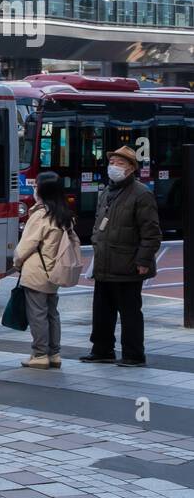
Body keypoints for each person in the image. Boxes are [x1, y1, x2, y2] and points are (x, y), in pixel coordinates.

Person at [82, 146, 161, 367]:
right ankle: (102, 350)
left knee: (130, 313)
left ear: (131, 168)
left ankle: (134, 354)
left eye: (120, 163)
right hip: (104, 262)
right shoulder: (108, 191)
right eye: (112, 162)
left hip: (128, 264)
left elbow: (151, 232)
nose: (114, 167)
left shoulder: (141, 193)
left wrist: (143, 260)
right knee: (101, 310)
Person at [13, 172, 74, 369]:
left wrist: (17, 263)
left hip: (36, 272)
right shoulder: (64, 215)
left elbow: (25, 246)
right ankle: (54, 354)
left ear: (42, 190)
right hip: (54, 271)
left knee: (37, 315)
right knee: (52, 314)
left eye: (36, 186)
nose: (34, 189)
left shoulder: (40, 215)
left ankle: (39, 355)